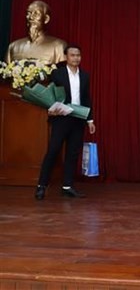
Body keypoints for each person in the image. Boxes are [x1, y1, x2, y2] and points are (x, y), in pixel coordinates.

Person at [34, 45, 96, 200]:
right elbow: (51, 94)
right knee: (53, 151)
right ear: (66, 57)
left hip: (78, 118)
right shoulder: (57, 74)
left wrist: (90, 120)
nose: (76, 58)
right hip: (61, 118)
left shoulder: (85, 76)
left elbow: (86, 98)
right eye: (73, 55)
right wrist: (51, 107)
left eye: (78, 55)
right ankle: (41, 185)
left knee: (73, 153)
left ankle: (67, 186)